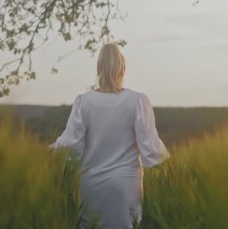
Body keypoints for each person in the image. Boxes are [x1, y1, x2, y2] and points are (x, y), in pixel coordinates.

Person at [50, 43, 170, 229]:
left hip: (91, 187)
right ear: (122, 67)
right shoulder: (137, 101)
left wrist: (40, 153)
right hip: (125, 186)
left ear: (99, 68)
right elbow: (151, 149)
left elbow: (69, 144)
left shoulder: (84, 102)